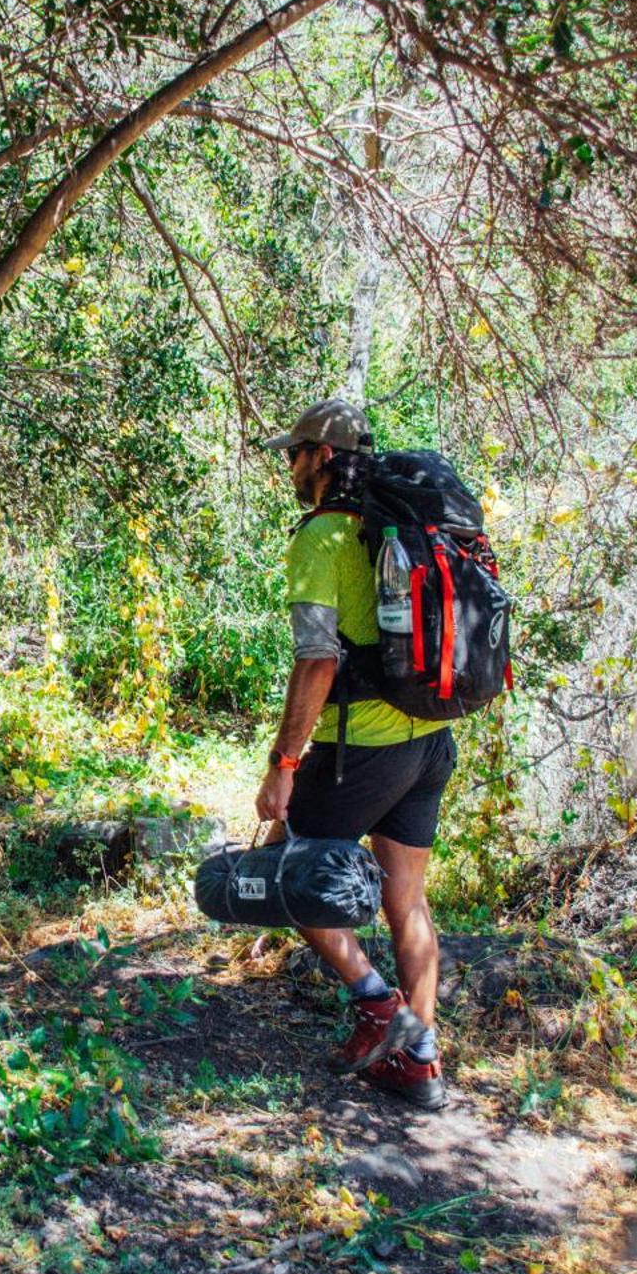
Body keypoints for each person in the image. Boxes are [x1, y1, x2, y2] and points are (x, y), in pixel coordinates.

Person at [255, 397, 454, 1111]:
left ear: (324, 457)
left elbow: (316, 662)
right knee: (406, 900)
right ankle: (420, 1061)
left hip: (360, 747)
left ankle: (376, 1002)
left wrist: (283, 766)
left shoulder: (322, 538)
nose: (290, 464)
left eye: (296, 451)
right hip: (429, 740)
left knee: (289, 873)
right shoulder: (395, 528)